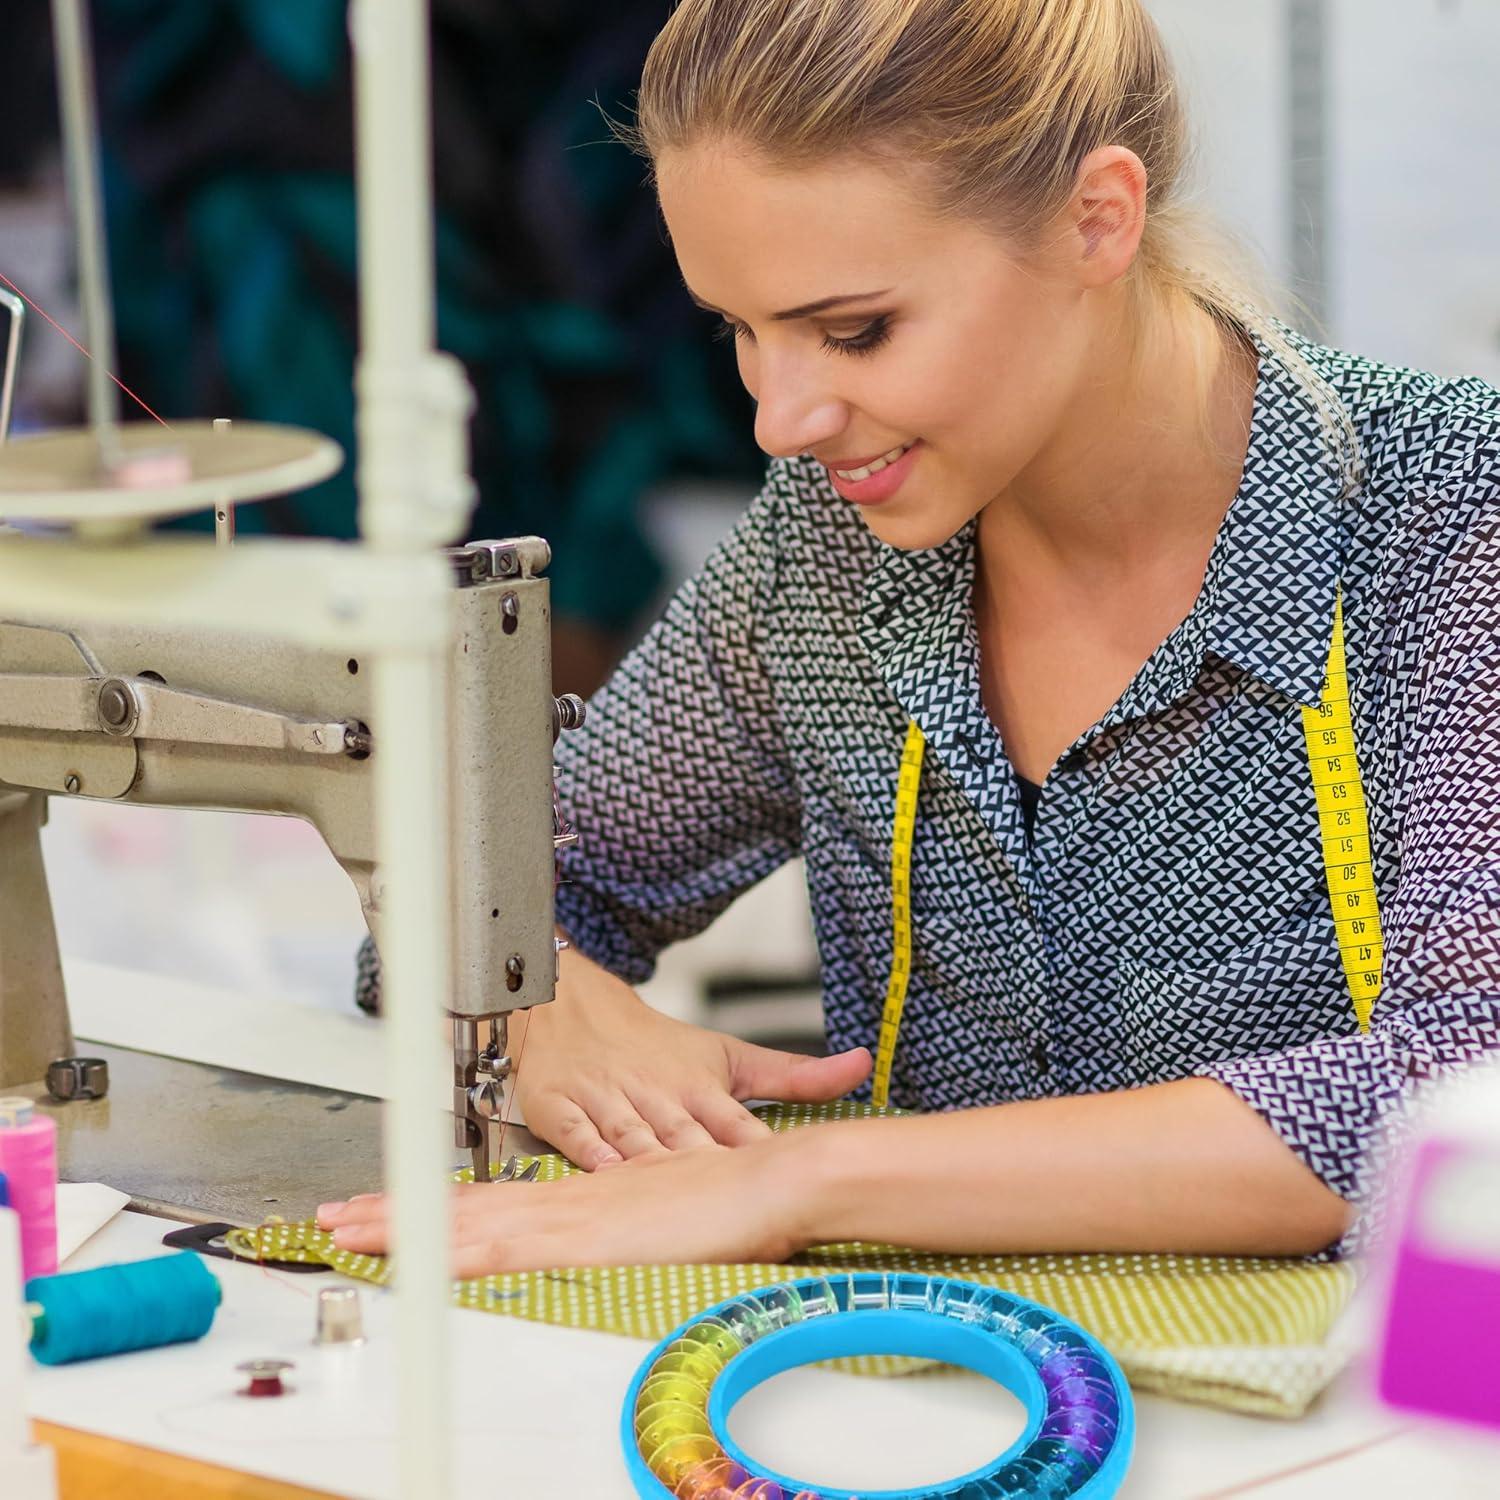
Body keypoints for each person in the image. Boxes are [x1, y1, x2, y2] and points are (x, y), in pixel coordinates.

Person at [321, 0, 1500, 1279]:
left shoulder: (1445, 515)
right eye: (739, 331)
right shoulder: (826, 553)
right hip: (920, 1412)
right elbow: (473, 887)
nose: (781, 418)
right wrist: (543, 1014)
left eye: (855, 330)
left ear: (1096, 218)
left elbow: (1460, 1090)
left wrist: (803, 1179)